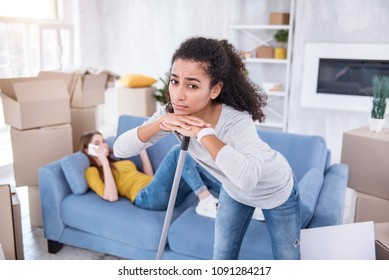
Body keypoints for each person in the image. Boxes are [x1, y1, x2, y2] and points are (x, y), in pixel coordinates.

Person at [113, 36, 301, 260]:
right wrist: (159, 124)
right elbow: (119, 150)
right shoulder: (172, 114)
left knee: (287, 260)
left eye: (192, 85)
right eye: (174, 81)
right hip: (233, 191)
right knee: (221, 258)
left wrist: (202, 132)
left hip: (275, 190)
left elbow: (248, 178)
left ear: (214, 90)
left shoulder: (237, 122)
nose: (179, 94)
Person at [80, 130, 222, 218]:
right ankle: (205, 200)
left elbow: (149, 177)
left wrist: (142, 151)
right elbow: (111, 196)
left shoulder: (118, 162)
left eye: (103, 141)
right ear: (88, 150)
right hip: (146, 198)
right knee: (178, 150)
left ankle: (231, 195)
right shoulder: (91, 171)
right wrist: (103, 162)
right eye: (97, 143)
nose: (103, 145)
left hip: (156, 190)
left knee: (193, 163)